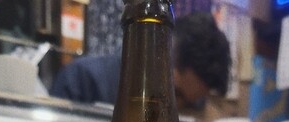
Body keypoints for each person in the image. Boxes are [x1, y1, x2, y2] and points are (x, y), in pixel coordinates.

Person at [50, 12, 231, 115]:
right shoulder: (81, 80)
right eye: (173, 92)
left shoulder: (196, 105)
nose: (173, 110)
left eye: (190, 103)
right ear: (158, 46)